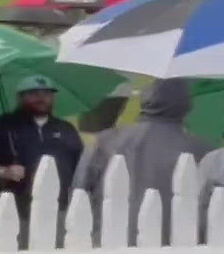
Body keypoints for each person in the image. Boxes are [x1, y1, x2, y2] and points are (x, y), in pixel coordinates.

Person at [78, 78, 214, 244]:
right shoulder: (202, 149)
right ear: (186, 105)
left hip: (111, 241)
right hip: (176, 245)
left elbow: (79, 190)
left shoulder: (105, 140)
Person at [0, 75, 84, 228]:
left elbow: (79, 164)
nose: (41, 98)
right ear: (20, 97)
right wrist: (2, 171)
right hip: (15, 210)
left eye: (46, 94)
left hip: (61, 208)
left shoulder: (66, 129)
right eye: (33, 93)